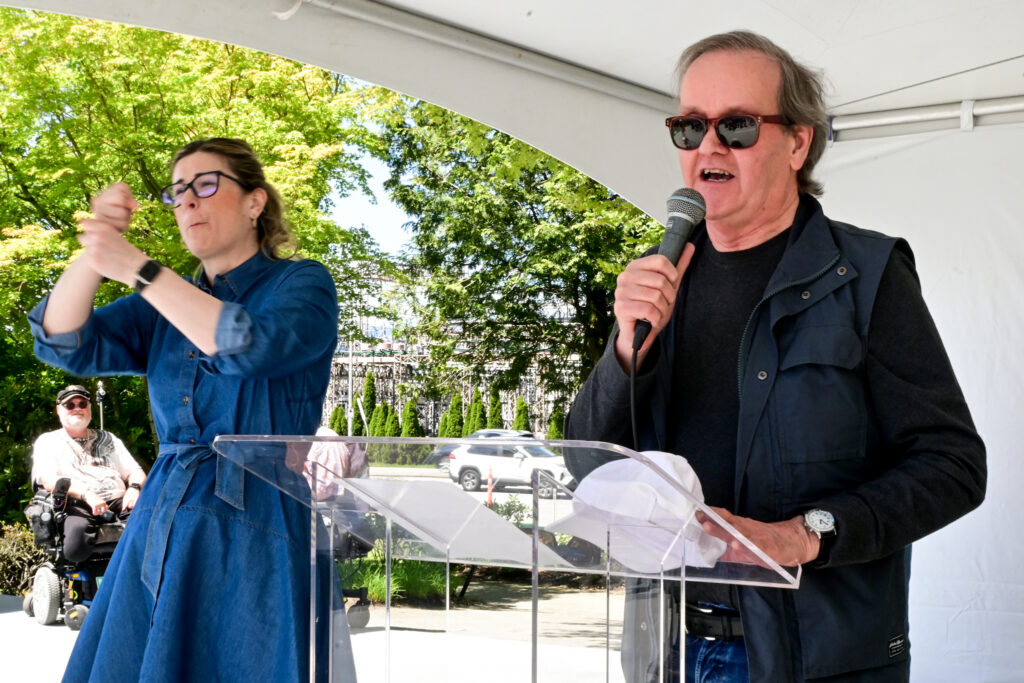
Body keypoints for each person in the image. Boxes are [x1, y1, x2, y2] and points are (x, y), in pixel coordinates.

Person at [565, 31, 986, 682]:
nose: (708, 146)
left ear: (798, 142)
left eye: (736, 125)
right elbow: (584, 461)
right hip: (666, 651)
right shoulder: (657, 282)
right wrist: (626, 348)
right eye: (690, 127)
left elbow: (953, 465)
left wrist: (808, 531)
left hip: (814, 660)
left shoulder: (867, 274)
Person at [28, 137, 339, 682]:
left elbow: (251, 344)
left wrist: (142, 271)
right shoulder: (160, 306)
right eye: (178, 191)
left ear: (254, 202)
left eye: (206, 184)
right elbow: (62, 340)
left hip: (258, 521)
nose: (188, 201)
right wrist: (95, 253)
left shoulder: (302, 283)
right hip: (159, 521)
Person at [31, 384, 146, 562]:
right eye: (70, 405)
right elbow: (48, 480)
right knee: (76, 548)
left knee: (152, 531)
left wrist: (134, 487)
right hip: (77, 503)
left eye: (82, 404)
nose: (77, 408)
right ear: (59, 410)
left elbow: (136, 471)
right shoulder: (48, 441)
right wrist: (87, 494)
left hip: (119, 502)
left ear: (89, 408)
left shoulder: (108, 438)